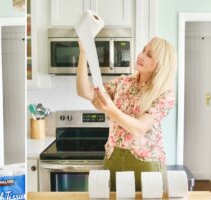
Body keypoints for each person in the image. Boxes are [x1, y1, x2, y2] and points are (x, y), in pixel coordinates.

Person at [76, 37, 177, 191]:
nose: (141, 55)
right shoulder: (123, 83)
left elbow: (139, 128)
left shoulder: (165, 94)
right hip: (113, 159)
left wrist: (111, 110)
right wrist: (84, 53)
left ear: (160, 65)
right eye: (143, 50)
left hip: (145, 163)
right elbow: (85, 91)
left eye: (149, 55)